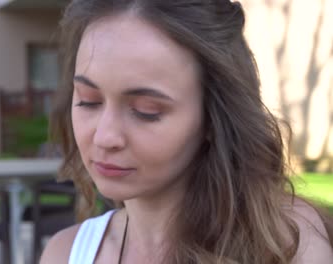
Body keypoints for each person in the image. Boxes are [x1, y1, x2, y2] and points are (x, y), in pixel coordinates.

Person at [41, 0, 333, 263]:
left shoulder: (285, 242)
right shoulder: (65, 253)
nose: (105, 137)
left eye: (146, 111)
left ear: (213, 118)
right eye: (88, 101)